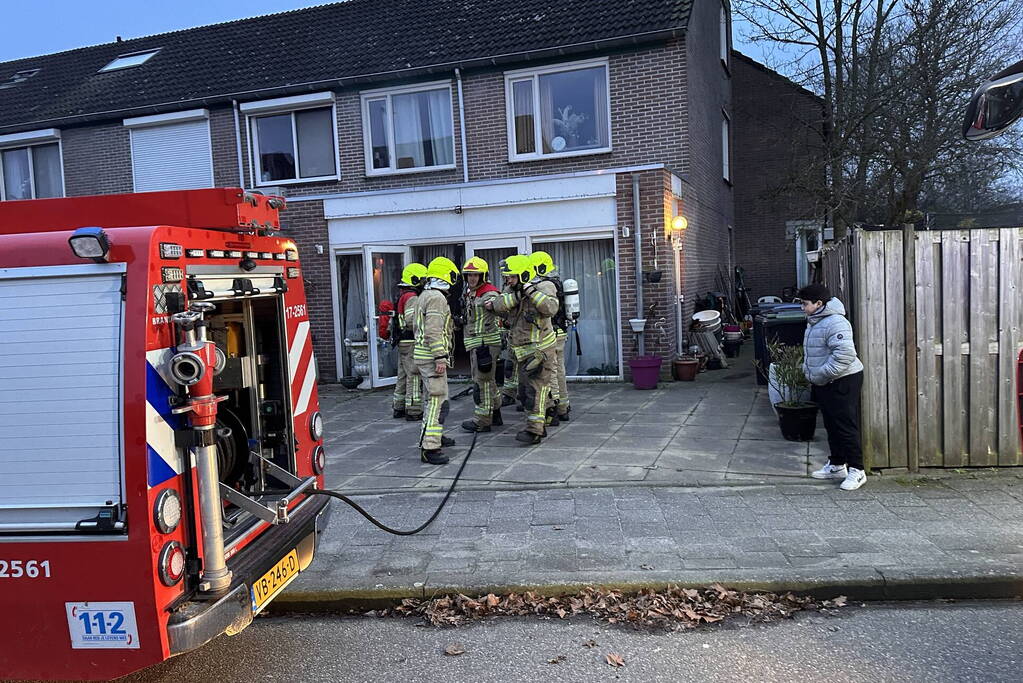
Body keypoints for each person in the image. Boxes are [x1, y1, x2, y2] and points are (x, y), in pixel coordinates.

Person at [799, 283, 867, 491]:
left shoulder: (836, 322)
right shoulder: (814, 320)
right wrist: (809, 370)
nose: (802, 308)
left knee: (845, 425)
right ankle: (837, 465)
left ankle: (857, 470)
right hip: (825, 381)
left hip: (843, 380)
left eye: (805, 304)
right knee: (831, 423)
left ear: (819, 304)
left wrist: (820, 374)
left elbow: (844, 355)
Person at [486, 254, 559, 445]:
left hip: (540, 349)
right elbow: (498, 306)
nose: (508, 280)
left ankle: (535, 430)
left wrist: (531, 292)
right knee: (525, 390)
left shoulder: (545, 287)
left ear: (524, 275)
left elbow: (550, 308)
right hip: (521, 349)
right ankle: (548, 413)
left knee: (535, 390)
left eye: (512, 277)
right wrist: (519, 294)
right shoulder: (513, 289)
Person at [413, 257, 459, 465]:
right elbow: (433, 330)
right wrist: (440, 355)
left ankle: (434, 437)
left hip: (423, 355)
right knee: (436, 401)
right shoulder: (437, 298)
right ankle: (430, 447)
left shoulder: (424, 295)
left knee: (432, 399)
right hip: (432, 358)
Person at [459, 257, 504, 433]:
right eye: (469, 275)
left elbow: (499, 306)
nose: (472, 278)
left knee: (482, 382)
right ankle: (497, 412)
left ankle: (482, 421)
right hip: (476, 343)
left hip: (485, 344)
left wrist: (493, 305)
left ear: (483, 276)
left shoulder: (489, 293)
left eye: (476, 275)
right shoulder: (471, 292)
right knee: (489, 381)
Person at [530, 250, 571, 425]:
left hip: (551, 333)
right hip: (560, 331)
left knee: (552, 372)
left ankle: (553, 408)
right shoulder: (555, 282)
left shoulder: (545, 285)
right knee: (559, 370)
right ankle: (563, 406)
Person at [391, 263, 427, 421]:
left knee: (402, 375)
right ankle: (413, 410)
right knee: (414, 375)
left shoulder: (403, 294)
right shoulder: (412, 297)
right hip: (411, 340)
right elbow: (412, 320)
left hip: (402, 341)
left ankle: (398, 407)